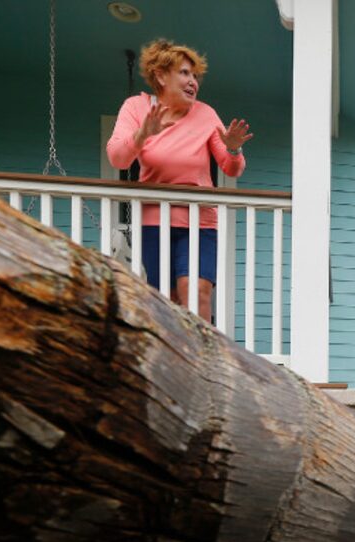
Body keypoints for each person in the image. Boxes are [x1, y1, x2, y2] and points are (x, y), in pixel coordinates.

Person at [107, 38, 254, 326]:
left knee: (196, 291)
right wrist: (142, 136)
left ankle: (201, 360)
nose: (193, 82)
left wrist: (234, 148)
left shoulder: (206, 114)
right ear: (161, 76)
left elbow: (231, 167)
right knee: (166, 299)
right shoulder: (137, 108)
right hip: (154, 220)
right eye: (185, 73)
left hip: (200, 220)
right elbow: (117, 158)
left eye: (195, 76)